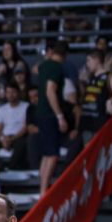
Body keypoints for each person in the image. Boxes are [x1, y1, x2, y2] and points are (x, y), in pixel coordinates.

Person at [36, 40, 73, 196]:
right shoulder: (57, 68)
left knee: (46, 153)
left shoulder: (44, 65)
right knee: (52, 154)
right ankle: (44, 191)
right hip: (50, 114)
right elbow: (50, 90)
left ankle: (41, 188)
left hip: (41, 113)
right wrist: (60, 116)